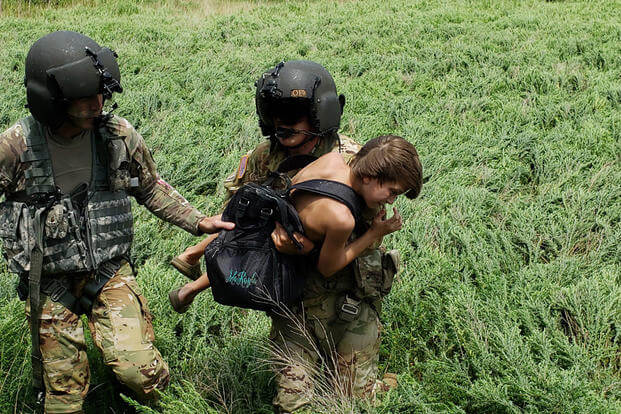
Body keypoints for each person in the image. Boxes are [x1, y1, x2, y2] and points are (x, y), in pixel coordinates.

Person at [0, 31, 233, 414]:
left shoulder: (117, 136)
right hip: (49, 280)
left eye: (101, 95)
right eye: (85, 98)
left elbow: (150, 188)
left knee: (141, 375)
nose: (98, 105)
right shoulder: (16, 146)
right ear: (54, 100)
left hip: (109, 272)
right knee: (64, 397)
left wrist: (198, 221)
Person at [169, 60, 416, 412]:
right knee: (293, 404)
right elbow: (240, 218)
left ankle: (369, 380)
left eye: (294, 114)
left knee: (353, 402)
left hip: (350, 293)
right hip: (295, 300)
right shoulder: (263, 159)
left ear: (320, 114)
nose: (282, 123)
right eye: (275, 112)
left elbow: (370, 236)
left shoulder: (353, 160)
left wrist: (309, 246)